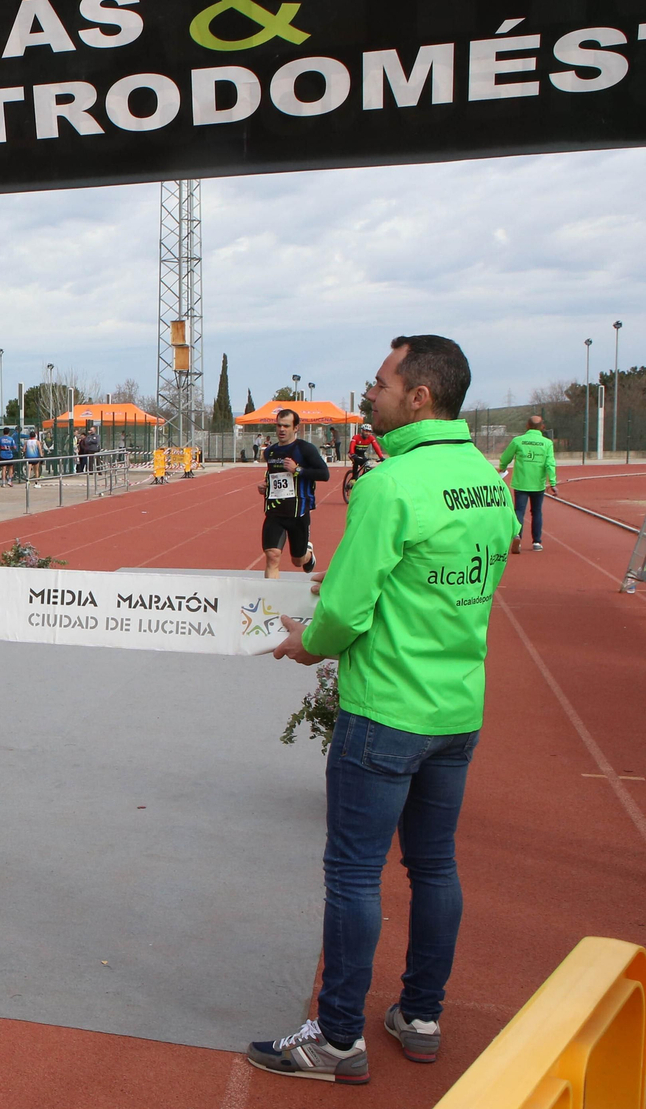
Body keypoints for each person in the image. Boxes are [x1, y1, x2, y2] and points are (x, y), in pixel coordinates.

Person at [248, 335, 515, 1087]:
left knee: (355, 874)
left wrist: (307, 642)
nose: (371, 394)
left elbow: (344, 616)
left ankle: (335, 1039)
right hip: (457, 708)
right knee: (434, 865)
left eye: (381, 383)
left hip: (386, 710)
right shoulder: (488, 482)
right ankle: (421, 1014)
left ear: (419, 396)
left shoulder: (391, 486)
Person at [258, 409, 329, 577]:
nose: (282, 429)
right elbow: (273, 477)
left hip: (298, 513)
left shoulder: (305, 450)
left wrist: (297, 470)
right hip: (275, 512)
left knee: (297, 560)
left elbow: (324, 474)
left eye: (286, 426)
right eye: (279, 425)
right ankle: (271, 601)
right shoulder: (270, 452)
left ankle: (308, 555)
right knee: (272, 556)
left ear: (296, 428)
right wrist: (265, 487)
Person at [498, 415, 558, 553]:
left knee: (519, 510)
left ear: (527, 426)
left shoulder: (518, 441)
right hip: (538, 484)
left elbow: (506, 457)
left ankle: (517, 535)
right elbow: (550, 463)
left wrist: (503, 467)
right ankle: (537, 542)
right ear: (542, 427)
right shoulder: (547, 443)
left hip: (521, 483)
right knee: (536, 512)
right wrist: (553, 482)